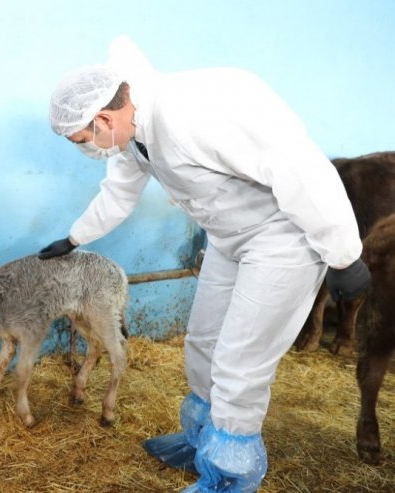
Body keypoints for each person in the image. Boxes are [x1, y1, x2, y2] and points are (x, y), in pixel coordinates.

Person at [39, 36, 370, 492]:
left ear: (103, 119)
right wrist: (74, 237)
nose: (87, 149)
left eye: (83, 140)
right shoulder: (134, 133)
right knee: (203, 341)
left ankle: (231, 473)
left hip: (282, 237)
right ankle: (201, 440)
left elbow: (299, 167)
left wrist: (344, 254)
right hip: (229, 237)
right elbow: (118, 192)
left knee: (240, 362)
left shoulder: (191, 113)